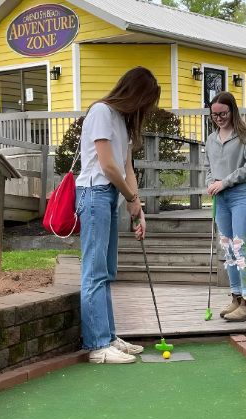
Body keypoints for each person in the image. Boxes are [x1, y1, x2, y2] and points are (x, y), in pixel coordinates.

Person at [75, 66, 159, 364]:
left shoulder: (122, 122)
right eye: (144, 101)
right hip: (95, 192)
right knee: (95, 270)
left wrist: (138, 210)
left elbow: (127, 169)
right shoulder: (100, 112)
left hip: (109, 195)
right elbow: (107, 166)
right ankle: (97, 345)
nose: (143, 109)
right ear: (133, 92)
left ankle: (108, 335)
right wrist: (131, 197)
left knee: (107, 270)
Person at [204, 91, 246, 322]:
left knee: (241, 248)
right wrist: (210, 183)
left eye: (223, 113)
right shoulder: (211, 139)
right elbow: (207, 167)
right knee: (228, 249)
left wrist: (224, 182)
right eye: (215, 114)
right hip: (221, 199)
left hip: (241, 195)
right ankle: (236, 298)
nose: (219, 118)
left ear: (232, 111)